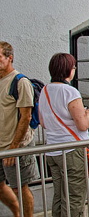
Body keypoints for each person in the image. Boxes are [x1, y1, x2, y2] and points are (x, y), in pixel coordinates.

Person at [38, 53, 89, 217]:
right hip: (72, 151)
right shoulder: (70, 92)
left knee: (59, 196)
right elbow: (82, 125)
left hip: (53, 150)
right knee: (74, 197)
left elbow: (43, 122)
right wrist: (88, 115)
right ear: (69, 69)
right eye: (74, 67)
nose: (74, 69)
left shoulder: (45, 90)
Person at [0, 41, 40, 217]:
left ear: (10, 58)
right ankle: (17, 212)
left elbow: (26, 116)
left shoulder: (20, 82)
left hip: (14, 146)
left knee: (20, 188)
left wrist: (15, 147)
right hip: (1, 145)